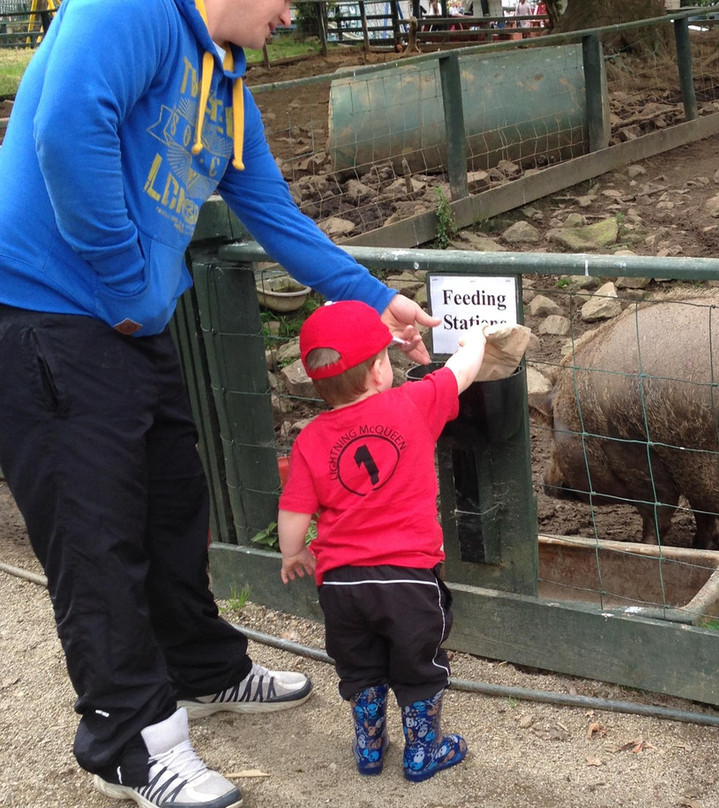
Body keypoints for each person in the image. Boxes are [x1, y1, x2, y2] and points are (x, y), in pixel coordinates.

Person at [0, 0, 439, 805]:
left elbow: (275, 215)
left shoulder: (231, 91)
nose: (291, 12)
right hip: (48, 316)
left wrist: (376, 298)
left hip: (131, 322)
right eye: (286, 0)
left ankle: (203, 669)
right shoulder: (129, 10)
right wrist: (130, 279)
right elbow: (64, 130)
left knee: (172, 508)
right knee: (94, 537)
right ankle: (127, 741)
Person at [278, 301, 486, 783]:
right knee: (418, 663)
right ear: (378, 369)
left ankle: (369, 748)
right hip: (408, 579)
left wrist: (294, 552)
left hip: (341, 586)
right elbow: (459, 375)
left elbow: (293, 511)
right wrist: (474, 342)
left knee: (360, 665)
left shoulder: (310, 438)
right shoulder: (410, 405)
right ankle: (423, 751)